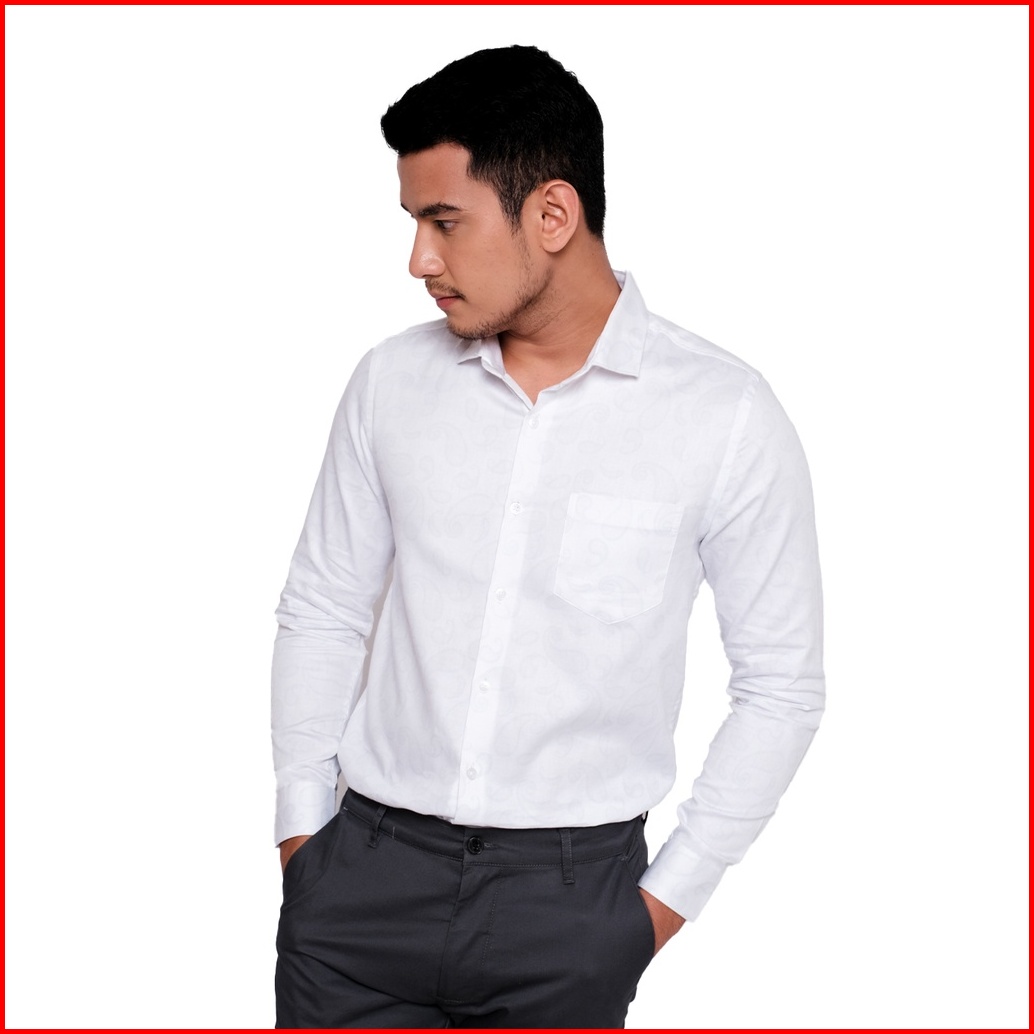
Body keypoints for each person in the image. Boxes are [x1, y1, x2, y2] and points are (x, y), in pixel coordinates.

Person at [271, 44, 824, 1029]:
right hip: (360, 886)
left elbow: (781, 685)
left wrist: (654, 910)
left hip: (569, 907)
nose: (419, 260)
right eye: (413, 224)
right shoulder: (390, 383)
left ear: (552, 216)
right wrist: (303, 836)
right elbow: (324, 606)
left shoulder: (724, 415)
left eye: (444, 222)